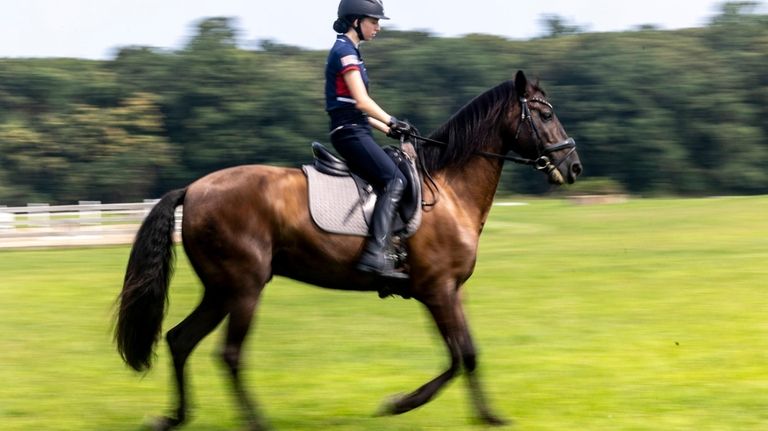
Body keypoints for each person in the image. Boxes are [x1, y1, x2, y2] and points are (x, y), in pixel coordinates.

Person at [325, 0, 412, 280]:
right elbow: (362, 102)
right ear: (355, 22)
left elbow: (356, 109)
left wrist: (392, 130)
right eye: (374, 22)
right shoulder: (344, 52)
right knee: (395, 180)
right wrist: (391, 120)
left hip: (355, 128)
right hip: (349, 133)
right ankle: (375, 254)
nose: (378, 28)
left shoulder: (352, 53)